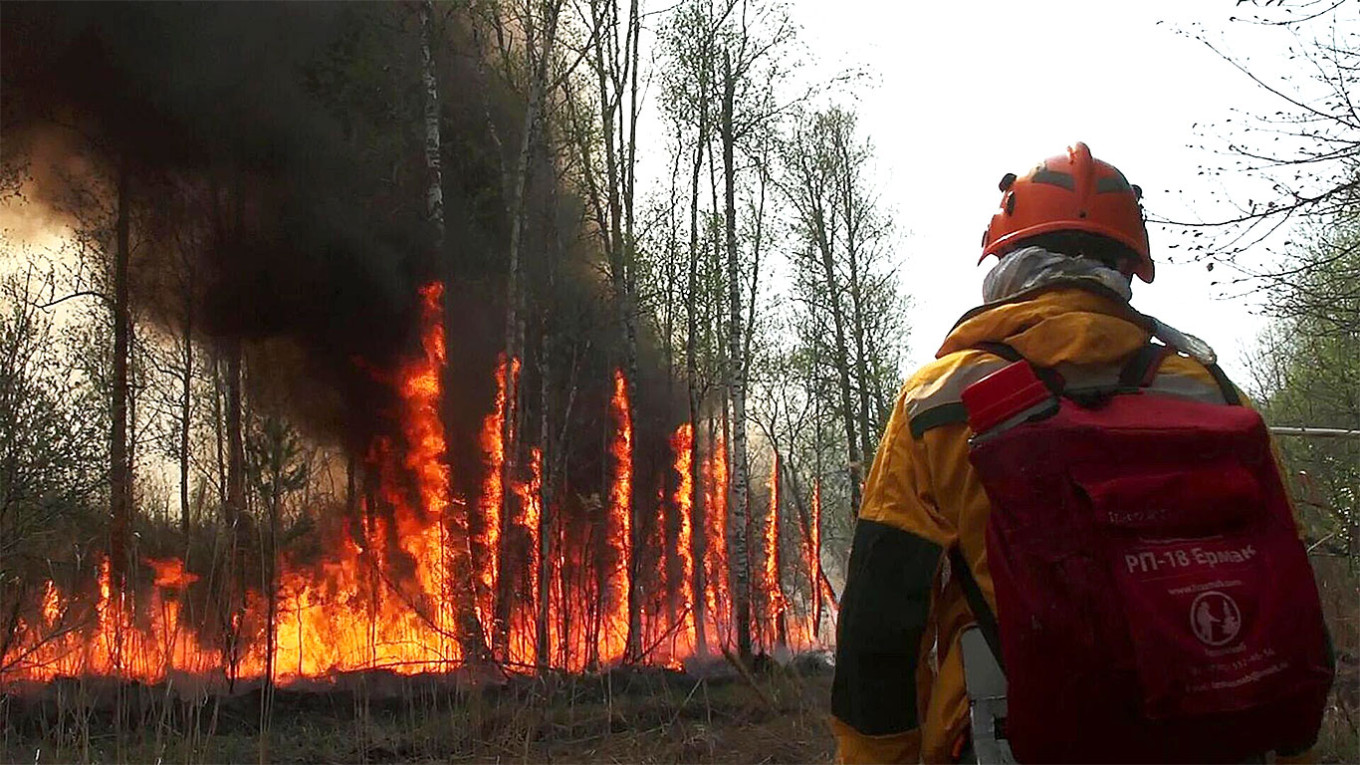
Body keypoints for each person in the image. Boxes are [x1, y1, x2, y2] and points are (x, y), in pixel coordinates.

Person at [829, 142, 1328, 764]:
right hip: (1212, 737)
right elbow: (1279, 582)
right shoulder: (1212, 394)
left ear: (1006, 258)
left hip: (1007, 741)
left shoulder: (941, 400)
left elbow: (882, 617)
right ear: (1127, 265)